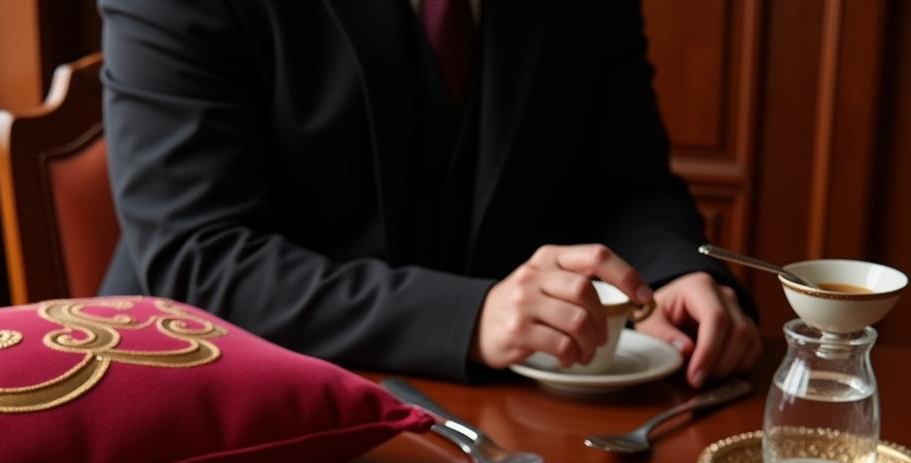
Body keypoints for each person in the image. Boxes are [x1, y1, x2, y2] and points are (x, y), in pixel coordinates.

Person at [99, 0, 760, 389]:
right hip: (236, 405)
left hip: (509, 426)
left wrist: (677, 270)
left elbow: (629, 180)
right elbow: (200, 256)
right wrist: (467, 317)